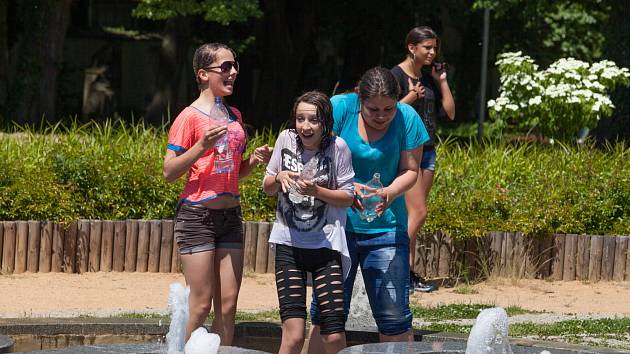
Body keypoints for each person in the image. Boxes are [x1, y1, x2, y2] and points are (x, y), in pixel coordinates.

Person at [308, 67, 429, 349]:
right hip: (337, 227)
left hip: (387, 228)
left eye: (389, 109)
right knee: (327, 314)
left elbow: (411, 170)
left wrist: (390, 191)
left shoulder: (407, 117)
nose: (382, 116)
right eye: (373, 109)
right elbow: (314, 157)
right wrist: (348, 188)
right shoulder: (339, 108)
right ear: (359, 99)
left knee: (394, 315)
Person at [163, 43, 272, 345]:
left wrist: (253, 161)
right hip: (197, 216)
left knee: (228, 304)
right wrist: (200, 147)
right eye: (225, 67)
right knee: (200, 303)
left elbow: (234, 173)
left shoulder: (235, 115)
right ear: (203, 74)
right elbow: (170, 172)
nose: (233, 72)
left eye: (234, 66)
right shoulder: (189, 117)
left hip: (230, 216)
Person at [262, 91, 355, 354]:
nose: (305, 126)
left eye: (313, 120)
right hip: (288, 246)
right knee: (293, 336)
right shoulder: (285, 139)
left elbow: (348, 197)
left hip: (326, 249)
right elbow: (267, 187)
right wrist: (279, 175)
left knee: (334, 335)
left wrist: (317, 192)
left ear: (325, 122)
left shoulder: (338, 148)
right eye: (300, 119)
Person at [391, 26, 455, 293]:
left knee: (412, 216)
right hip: (407, 151)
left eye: (434, 48)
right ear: (411, 47)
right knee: (418, 212)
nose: (432, 52)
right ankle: (392, 266)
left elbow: (450, 113)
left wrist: (440, 81)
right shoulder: (395, 75)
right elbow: (386, 112)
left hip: (428, 150)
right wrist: (411, 96)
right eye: (427, 47)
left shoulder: (428, 79)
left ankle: (406, 272)